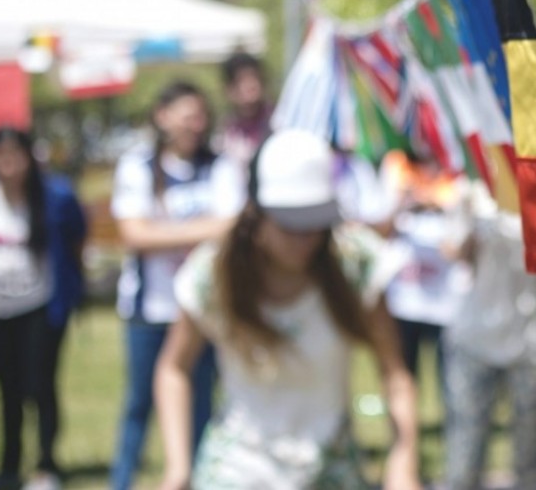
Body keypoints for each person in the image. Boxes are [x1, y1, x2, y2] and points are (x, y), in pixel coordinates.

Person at [153, 128, 421, 489]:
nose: (305, 238)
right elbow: (174, 369)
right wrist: (177, 468)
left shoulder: (353, 264)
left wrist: (403, 463)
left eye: (316, 222)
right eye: (291, 224)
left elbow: (395, 373)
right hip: (239, 468)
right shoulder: (215, 275)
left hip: (330, 467)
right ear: (255, 216)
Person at [109, 81, 245, 490]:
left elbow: (234, 228)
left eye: (200, 116)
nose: (195, 125)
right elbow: (134, 235)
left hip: (204, 310)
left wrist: (164, 230)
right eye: (187, 115)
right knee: (140, 402)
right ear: (162, 116)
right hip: (149, 309)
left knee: (201, 402)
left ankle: (197, 478)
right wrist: (203, 231)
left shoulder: (221, 166)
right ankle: (123, 480)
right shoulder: (137, 166)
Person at [0, 128, 87, 490]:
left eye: (14, 154)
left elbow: (76, 236)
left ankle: (46, 464)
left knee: (40, 385)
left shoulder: (54, 196)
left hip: (41, 307)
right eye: (0, 155)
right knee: (6, 389)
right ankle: (9, 466)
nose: (7, 164)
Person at [442, 183, 536, 490]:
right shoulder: (474, 190)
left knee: (528, 460)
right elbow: (454, 252)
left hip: (534, 346)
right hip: (475, 340)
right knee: (464, 457)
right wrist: (471, 227)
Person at [379, 148, 471, 384]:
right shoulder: (396, 164)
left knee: (450, 375)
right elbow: (382, 230)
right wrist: (404, 203)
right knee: (404, 373)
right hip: (403, 300)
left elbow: (462, 244)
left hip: (446, 300)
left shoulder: (456, 170)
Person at [217, 52, 272, 174]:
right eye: (242, 81)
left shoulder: (277, 124)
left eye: (255, 79)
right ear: (229, 89)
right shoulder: (222, 134)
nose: (251, 86)